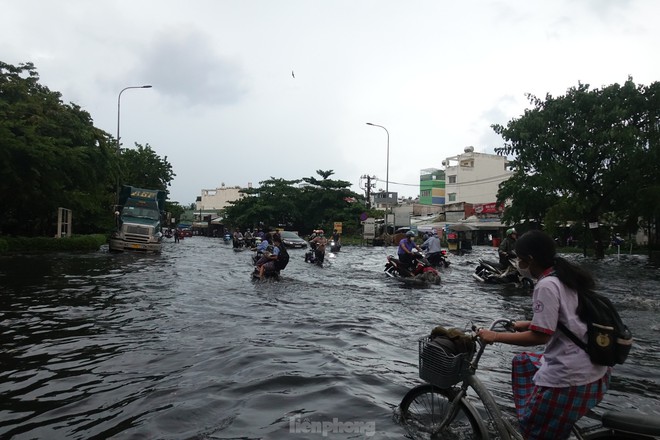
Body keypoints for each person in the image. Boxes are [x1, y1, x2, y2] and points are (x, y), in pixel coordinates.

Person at [477, 230, 609, 439]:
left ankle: (540, 420)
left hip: (572, 376)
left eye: (520, 259)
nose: (519, 264)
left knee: (532, 429)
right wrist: (530, 323)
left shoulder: (546, 285)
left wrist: (494, 336)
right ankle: (545, 413)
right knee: (523, 362)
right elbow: (569, 318)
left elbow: (540, 337)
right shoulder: (563, 275)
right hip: (595, 368)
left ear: (530, 259)